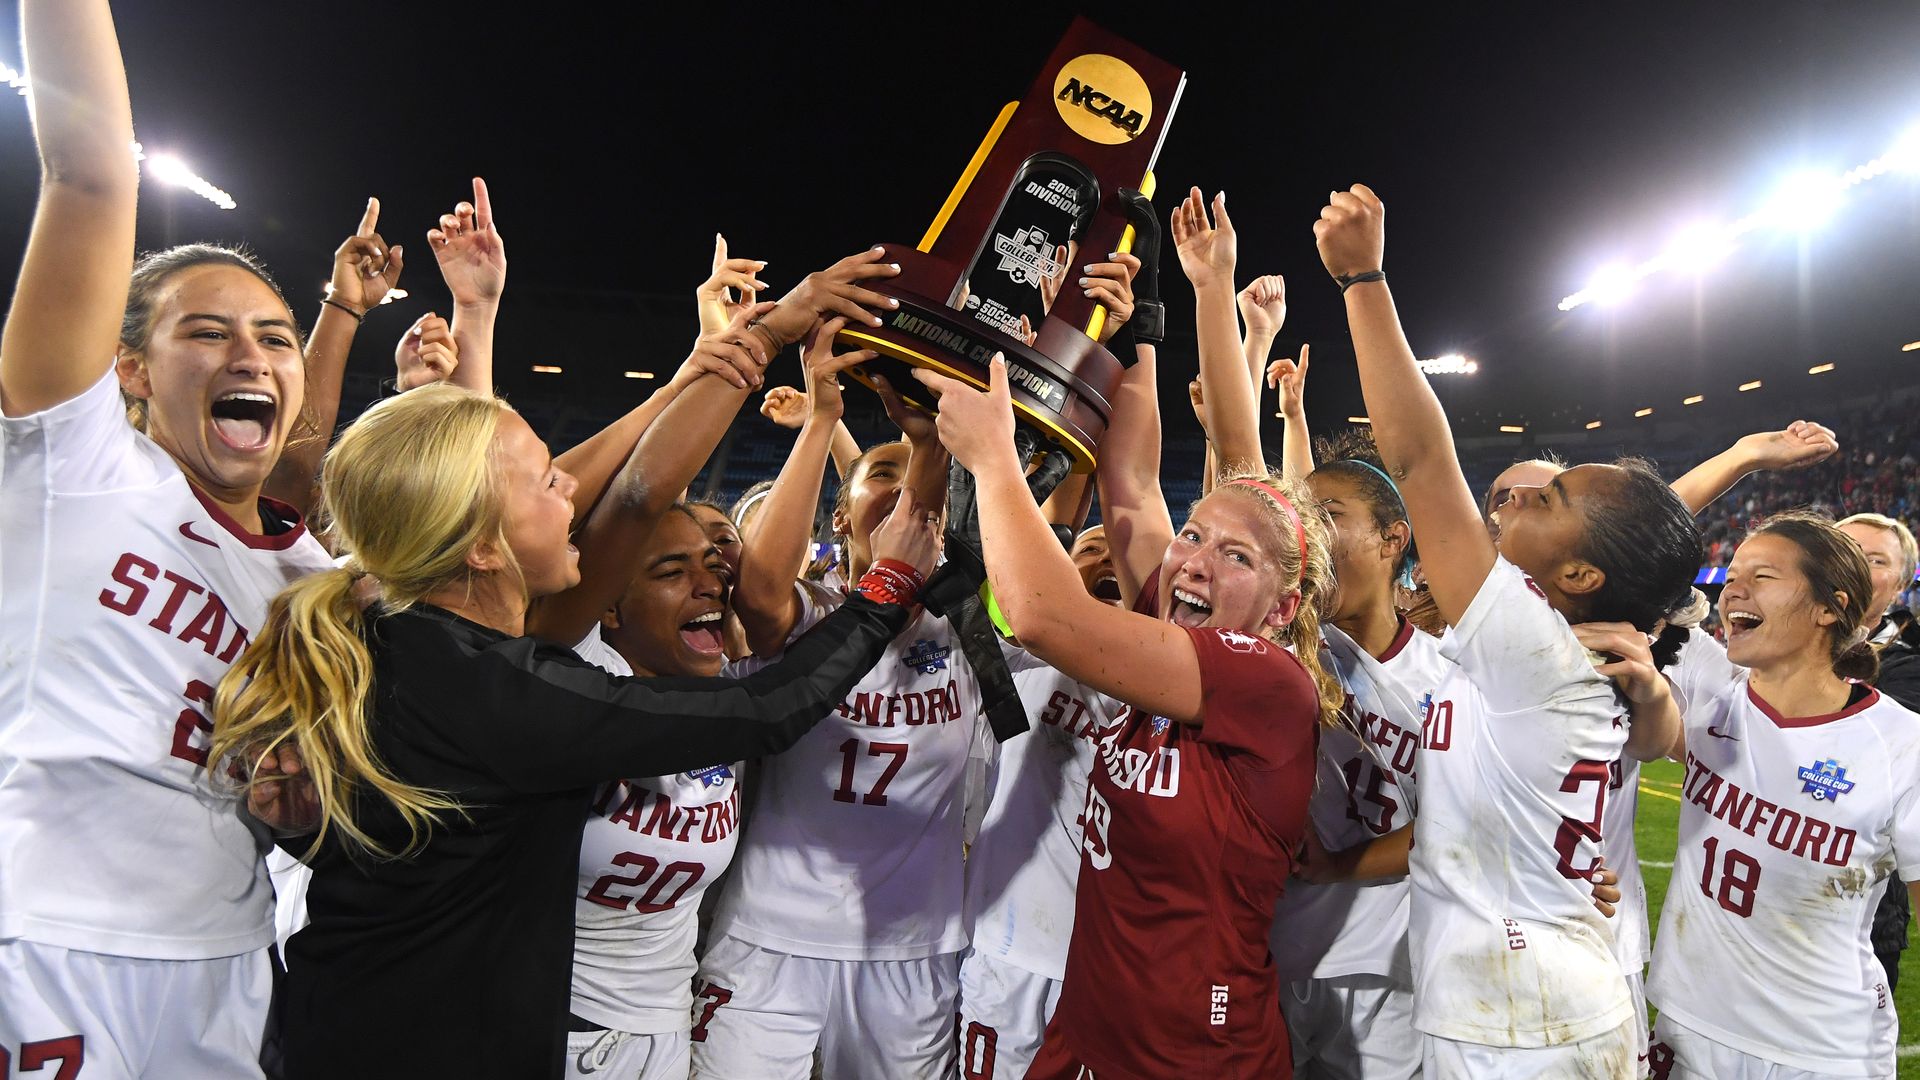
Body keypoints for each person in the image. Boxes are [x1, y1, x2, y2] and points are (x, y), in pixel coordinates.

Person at [210, 369, 939, 1077]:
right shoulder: (499, 689)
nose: (570, 484)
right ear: (482, 547)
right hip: (433, 1049)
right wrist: (889, 586)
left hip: (362, 1023)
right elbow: (764, 707)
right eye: (544, 481)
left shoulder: (399, 640)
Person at [917, 188, 1341, 1078]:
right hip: (1092, 1019)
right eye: (1196, 535)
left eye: (1236, 556)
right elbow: (1131, 489)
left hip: (1194, 1051)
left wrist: (994, 460)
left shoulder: (1264, 680)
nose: (1194, 562)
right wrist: (1140, 326)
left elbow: (1043, 615)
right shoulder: (1177, 621)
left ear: (1281, 607)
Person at [0, 3, 342, 1072]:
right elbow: (91, 176)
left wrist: (301, 806)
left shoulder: (312, 578)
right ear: (132, 371)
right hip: (46, 940)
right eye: (207, 331)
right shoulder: (77, 464)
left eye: (276, 338)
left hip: (226, 956)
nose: (253, 355)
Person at [1316, 182, 1702, 1077]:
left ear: (1579, 578)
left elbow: (1418, 460)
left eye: (1550, 501)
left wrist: (1363, 279)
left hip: (1526, 1025)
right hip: (1530, 1000)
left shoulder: (1537, 654)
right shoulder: (1556, 654)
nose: (1520, 497)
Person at [691, 318, 974, 1080]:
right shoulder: (811, 616)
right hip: (769, 935)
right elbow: (758, 591)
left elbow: (925, 511)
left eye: (910, 475)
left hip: (911, 947)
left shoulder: (970, 630)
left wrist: (930, 444)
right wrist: (822, 417)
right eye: (878, 473)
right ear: (840, 514)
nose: (900, 487)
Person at [1648, 512, 1920, 1079]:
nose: (1733, 590)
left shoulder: (1900, 744)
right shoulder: (1711, 685)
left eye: (1763, 576)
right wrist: (1741, 464)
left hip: (1820, 1050)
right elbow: (1624, 543)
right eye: (1732, 576)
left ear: (1829, 607)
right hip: (1688, 1024)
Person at [1270, 428, 1449, 1080]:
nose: (1307, 532)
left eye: (1328, 515)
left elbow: (1458, 824)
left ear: (1392, 539)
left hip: (1386, 962)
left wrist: (1337, 865)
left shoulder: (1449, 678)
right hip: (1267, 944)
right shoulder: (1278, 645)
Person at [566, 506, 748, 1080]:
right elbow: (636, 498)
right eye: (671, 572)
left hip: (665, 1023)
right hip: (566, 1027)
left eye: (712, 565)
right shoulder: (578, 678)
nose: (708, 584)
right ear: (608, 605)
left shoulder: (725, 693)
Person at [1837, 512, 1920, 994]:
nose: (1857, 566)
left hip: (1860, 915)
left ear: (1900, 585)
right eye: (1845, 551)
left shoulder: (1908, 668)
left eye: (1876, 560)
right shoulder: (1765, 651)